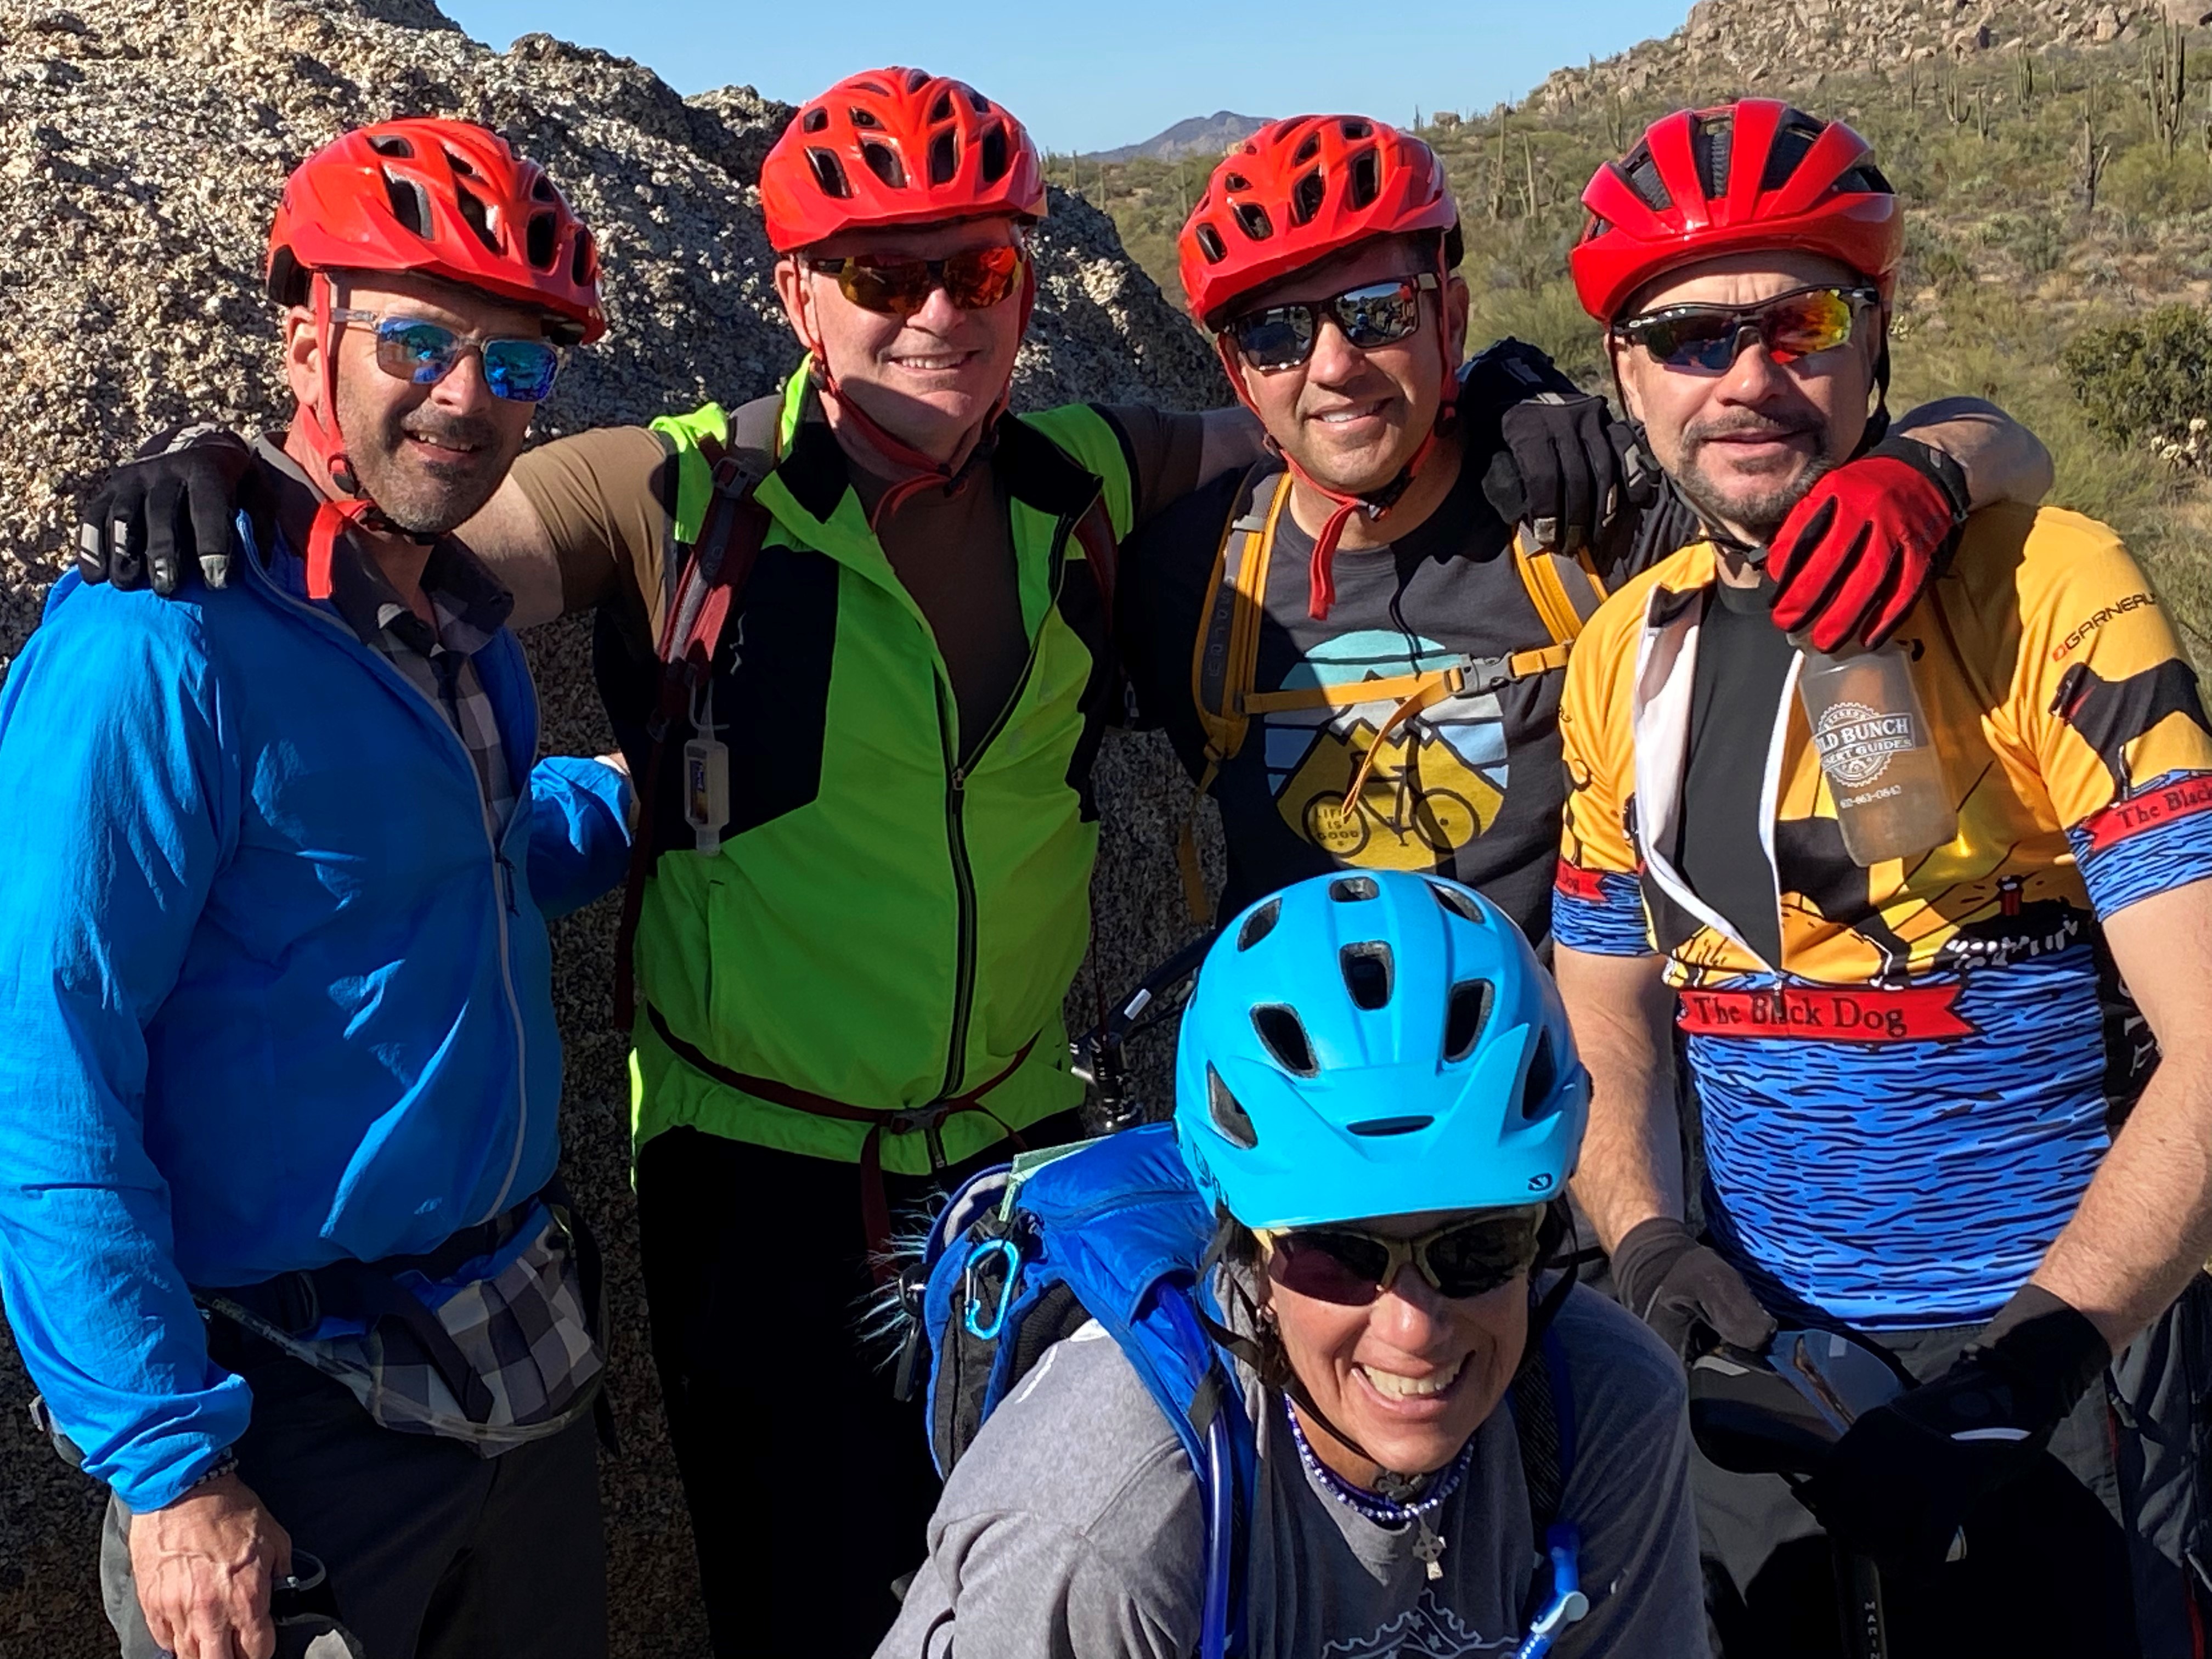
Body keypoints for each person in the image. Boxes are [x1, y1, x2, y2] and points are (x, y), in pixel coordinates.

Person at [65, 69, 1650, 1655]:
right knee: (806, 1611)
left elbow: (1320, 422)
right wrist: (245, 487)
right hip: (762, 1186)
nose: (938, 314)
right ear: (797, 295)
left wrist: (1506, 393)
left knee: (1082, 1571)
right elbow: (425, 538)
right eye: (884, 277)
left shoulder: (1088, 480)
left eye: (982, 271)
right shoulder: (682, 496)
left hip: (1021, 1174)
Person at [1550, 100, 2212, 1655]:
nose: (1753, 379)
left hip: (2062, 1371)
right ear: (1623, 373)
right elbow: (1610, 1029)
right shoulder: (1619, 647)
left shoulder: (2049, 585)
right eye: (1692, 339)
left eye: (1804, 321)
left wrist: (2037, 1358)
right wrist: (1653, 1255)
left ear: (1876, 332)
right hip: (1759, 1366)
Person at [0, 119, 632, 1659]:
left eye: (517, 363)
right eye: (419, 340)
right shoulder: (162, 650)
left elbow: (439, 875)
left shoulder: (455, 625)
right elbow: (43, 1058)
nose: (468, 399)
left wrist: (625, 804)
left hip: (513, 1363)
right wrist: (171, 1471)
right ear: (309, 336)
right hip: (285, 1425)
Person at [1119, 112, 2055, 941]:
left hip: (1570, 1083)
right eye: (1276, 333)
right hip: (1305, 1097)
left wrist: (1921, 474)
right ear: (1239, 375)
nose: (1332, 366)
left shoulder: (1586, 513)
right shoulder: (1197, 577)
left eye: (1377, 313)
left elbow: (1988, 444)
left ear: (1450, 317)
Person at [882, 867, 1706, 1655]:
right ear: (1246, 1253)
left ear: (1543, 1231)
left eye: (1477, 1249)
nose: (1413, 1324)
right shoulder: (1103, 1520)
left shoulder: (1607, 1403)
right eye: (1338, 1258)